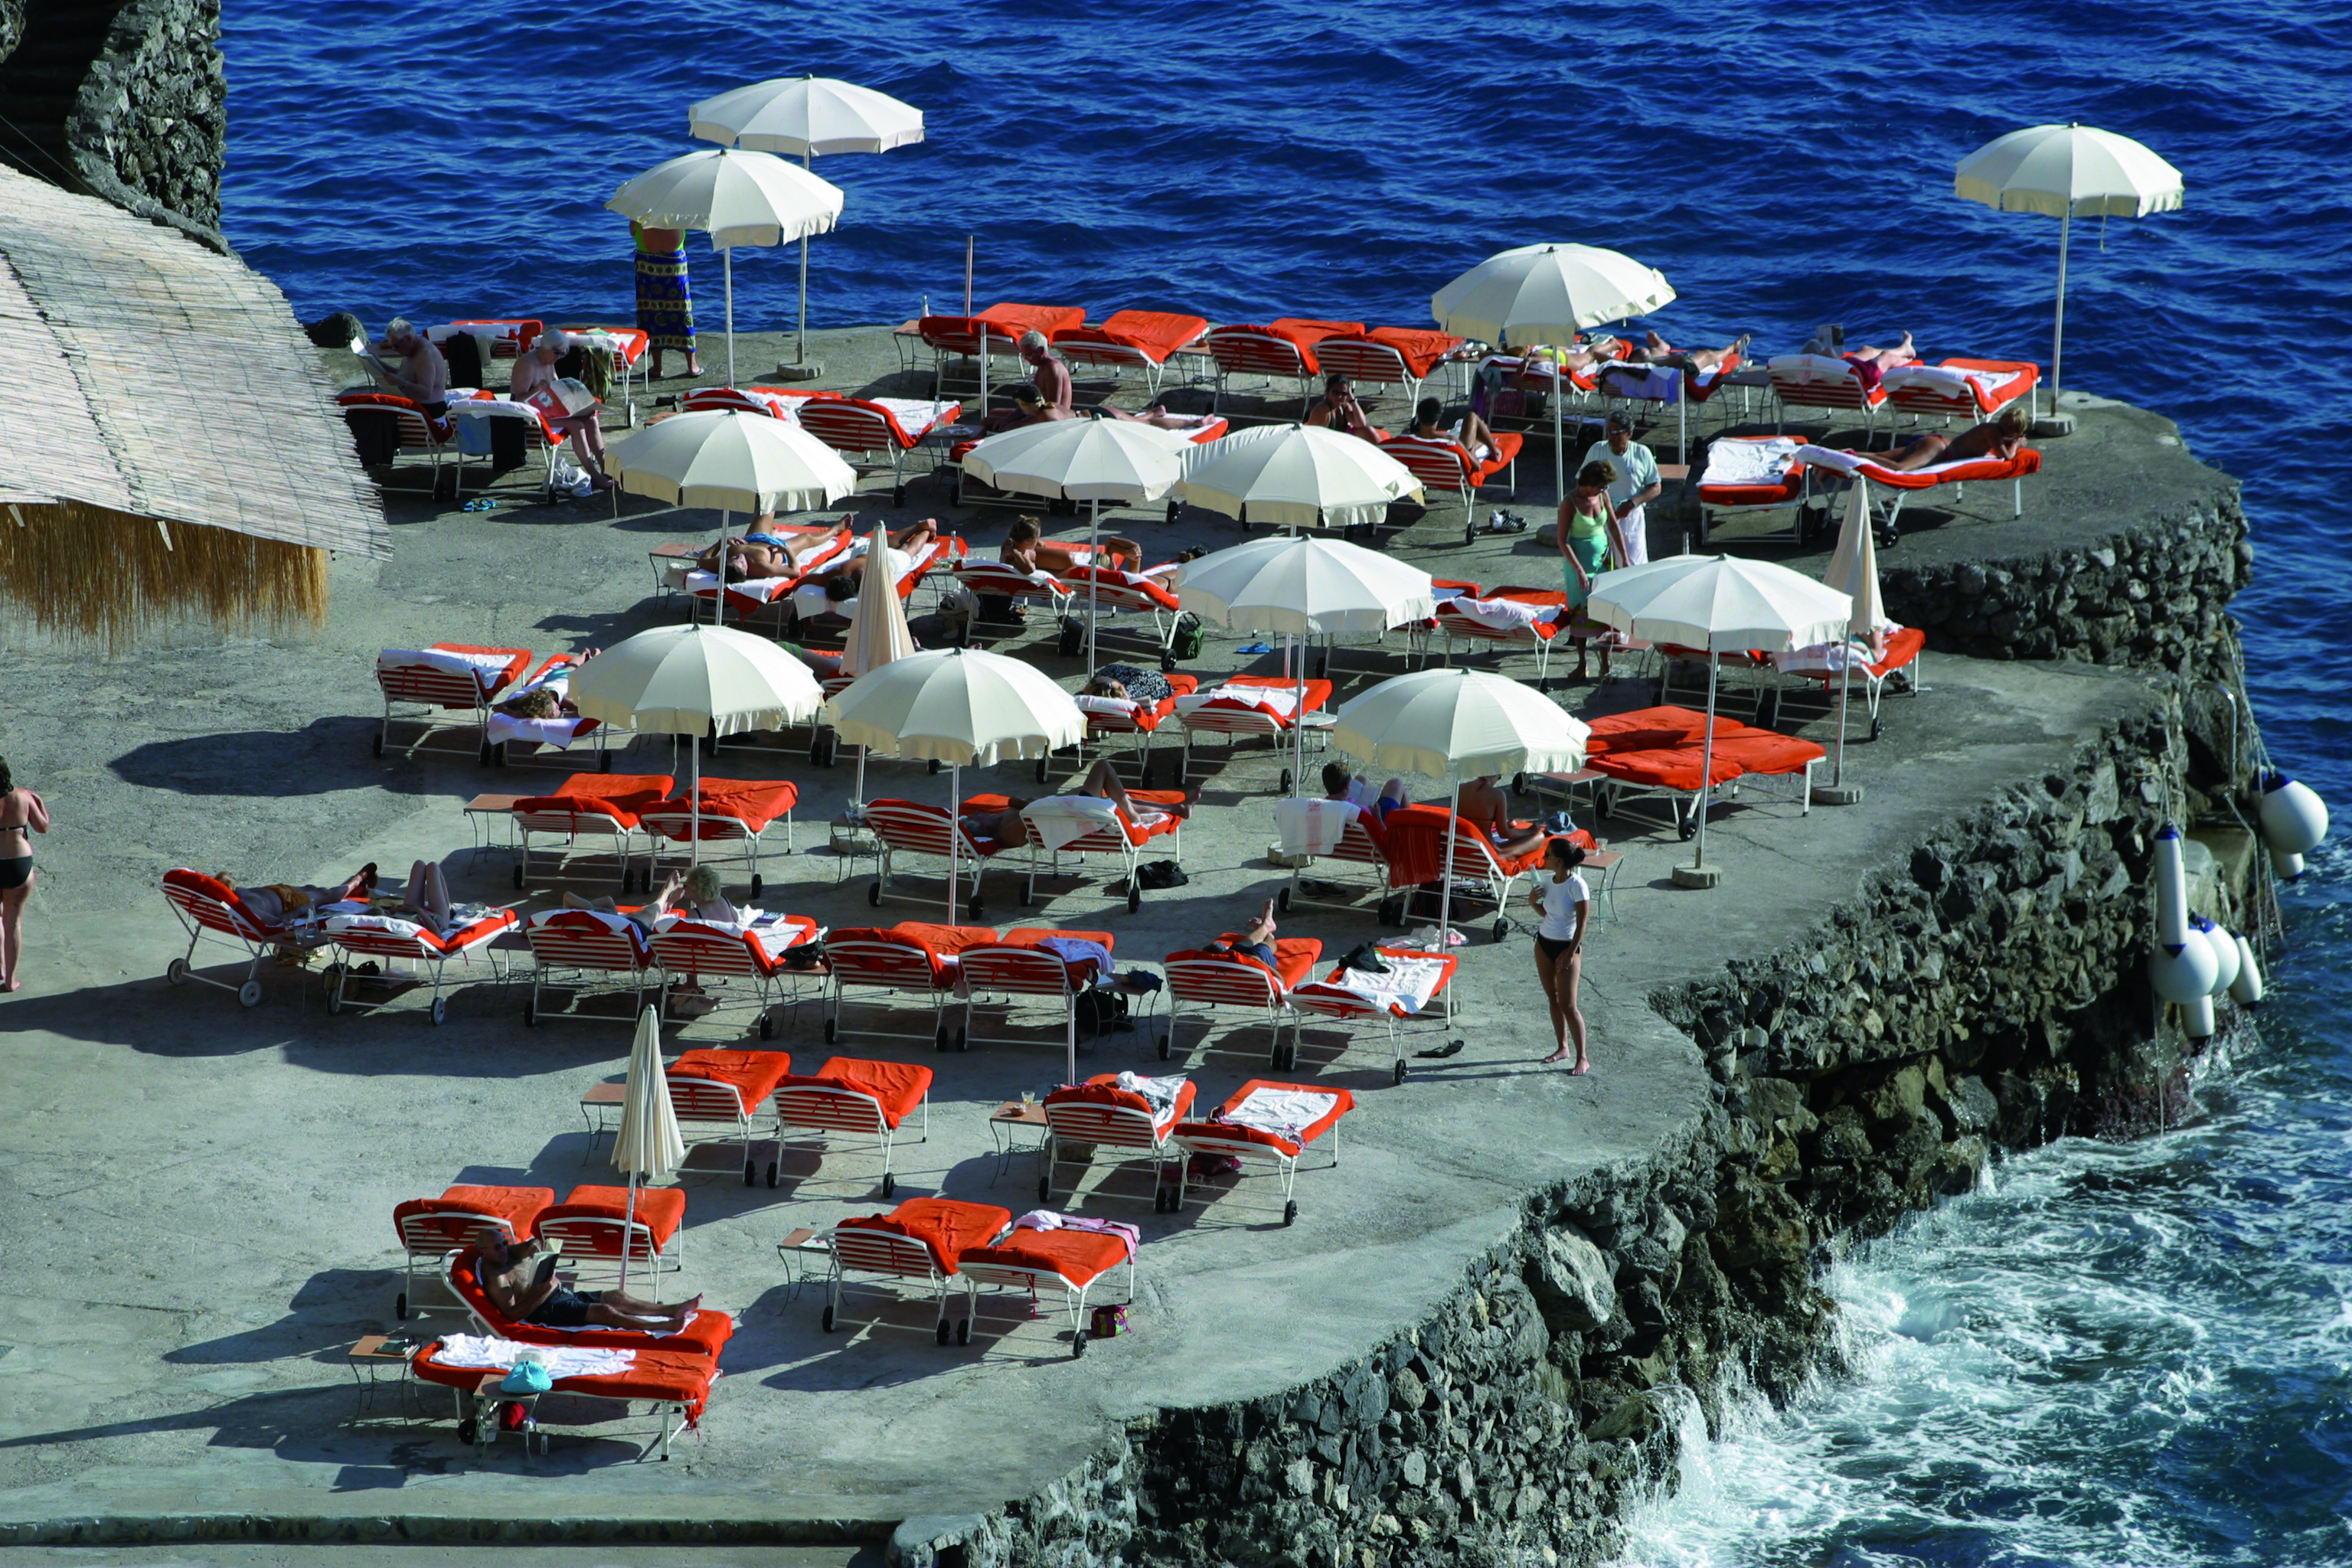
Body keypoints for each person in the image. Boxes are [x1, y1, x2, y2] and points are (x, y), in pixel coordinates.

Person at [472, 1230, 701, 1332]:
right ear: (483, 1252)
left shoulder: (507, 1253)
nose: (503, 1249)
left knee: (616, 1296)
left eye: (503, 1243)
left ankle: (672, 1309)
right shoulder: (497, 1279)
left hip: (558, 1295)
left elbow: (527, 1247)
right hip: (545, 1309)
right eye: (497, 1247)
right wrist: (542, 1290)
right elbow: (512, 1315)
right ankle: (662, 1325)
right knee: (604, 1311)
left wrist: (535, 1246)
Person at [512, 328, 614, 488]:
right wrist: (536, 390)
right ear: (546, 347)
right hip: (529, 415)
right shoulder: (527, 364)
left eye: (562, 354)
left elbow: (556, 386)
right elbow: (517, 399)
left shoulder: (548, 361)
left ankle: (606, 468)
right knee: (576, 425)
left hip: (549, 410)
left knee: (591, 418)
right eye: (557, 353)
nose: (559, 358)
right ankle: (594, 475)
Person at [1557, 460, 1628, 682]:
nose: (1604, 490)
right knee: (1582, 614)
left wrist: (1624, 557)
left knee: (1604, 613)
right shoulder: (1570, 502)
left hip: (1603, 562)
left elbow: (1614, 526)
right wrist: (1578, 569)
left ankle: (1605, 667)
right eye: (1601, 486)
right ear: (1589, 484)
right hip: (1579, 564)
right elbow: (1562, 541)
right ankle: (1582, 664)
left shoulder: (1602, 496)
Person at [1528, 838, 1592, 1071]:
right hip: (1544, 942)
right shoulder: (1547, 881)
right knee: (1553, 998)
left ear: (1560, 860)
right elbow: (1547, 914)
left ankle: (1582, 1056)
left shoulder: (1577, 885)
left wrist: (1571, 951)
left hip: (1567, 946)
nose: (1544, 859)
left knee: (1568, 1005)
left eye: (1548, 855)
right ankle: (1562, 1047)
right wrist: (1532, 902)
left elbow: (1583, 923)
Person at [1578, 411, 1660, 569]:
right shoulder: (1597, 450)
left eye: (1616, 432)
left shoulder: (1641, 453)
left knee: (1634, 566)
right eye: (1609, 431)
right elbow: (1581, 482)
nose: (1611, 436)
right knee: (1601, 565)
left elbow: (1656, 487)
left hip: (1631, 516)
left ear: (1629, 433)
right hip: (1601, 514)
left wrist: (1632, 503)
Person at [0, 757, 50, 993]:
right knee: (13, 922)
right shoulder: (23, 795)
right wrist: (39, 803)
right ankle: (10, 980)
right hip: (18, 862)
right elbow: (42, 827)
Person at [562, 863, 739, 927]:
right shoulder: (725, 901)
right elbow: (736, 921)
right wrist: (671, 904)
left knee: (646, 913)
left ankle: (582, 913)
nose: (683, 888)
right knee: (608, 902)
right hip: (723, 952)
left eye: (686, 885)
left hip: (626, 928)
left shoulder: (695, 915)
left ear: (696, 889)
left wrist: (669, 896)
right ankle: (588, 912)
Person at [630, 220, 701, 381]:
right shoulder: (677, 209)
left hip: (647, 265)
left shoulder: (641, 211)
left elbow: (633, 230)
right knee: (683, 311)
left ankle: (657, 367)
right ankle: (692, 366)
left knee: (650, 313)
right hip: (674, 265)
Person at [1872, 408, 2029, 472]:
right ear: (2001, 419)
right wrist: (2015, 443)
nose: (2006, 429)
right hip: (1940, 450)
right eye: (2006, 424)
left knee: (1884, 456)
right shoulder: (1993, 431)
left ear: (2016, 431)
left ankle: (1853, 454)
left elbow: (1997, 444)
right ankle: (1853, 457)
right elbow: (2006, 457)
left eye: (2011, 429)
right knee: (1899, 468)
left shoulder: (1994, 431)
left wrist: (2010, 441)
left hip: (1937, 444)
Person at [1002, 516, 1140, 576]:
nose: (1039, 540)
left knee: (1068, 559)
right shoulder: (1018, 552)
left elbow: (1110, 541)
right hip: (1085, 566)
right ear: (1027, 540)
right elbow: (1111, 542)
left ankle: (1128, 553)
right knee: (1068, 559)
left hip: (1085, 565)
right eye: (1037, 537)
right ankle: (1128, 553)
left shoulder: (1012, 545)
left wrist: (1132, 552)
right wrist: (1134, 555)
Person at [1456, 776, 1547, 860]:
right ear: (1495, 774)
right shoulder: (1497, 795)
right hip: (1487, 851)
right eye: (1499, 777)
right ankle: (1504, 856)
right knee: (1539, 837)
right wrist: (1529, 831)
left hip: (1461, 847)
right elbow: (1505, 833)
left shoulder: (1460, 788)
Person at [1406, 397, 1499, 463]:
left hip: (1428, 471)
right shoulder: (1449, 440)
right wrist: (1471, 453)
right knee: (1472, 417)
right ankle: (1494, 451)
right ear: (1438, 418)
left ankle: (1484, 443)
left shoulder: (1407, 441)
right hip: (1455, 468)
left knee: (1475, 430)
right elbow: (1475, 466)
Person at [1208, 898, 1281, 967]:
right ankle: (1267, 931)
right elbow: (1279, 979)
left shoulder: (1202, 970)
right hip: (1251, 963)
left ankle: (1265, 927)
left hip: (1229, 960)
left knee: (1241, 946)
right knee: (1263, 947)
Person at [1305, 374, 1380, 443]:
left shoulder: (1343, 406)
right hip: (1330, 444)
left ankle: (1386, 453)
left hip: (1340, 440)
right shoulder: (1323, 410)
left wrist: (1352, 400)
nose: (1339, 397)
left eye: (1343, 394)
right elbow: (1315, 438)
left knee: (1367, 430)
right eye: (1335, 393)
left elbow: (1361, 423)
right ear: (1327, 392)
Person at [1322, 760, 1405, 822]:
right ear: (1348, 786)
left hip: (1342, 840)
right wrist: (1377, 816)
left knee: (1361, 779)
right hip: (1373, 825)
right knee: (1397, 783)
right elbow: (1382, 836)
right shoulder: (1362, 812)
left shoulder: (1319, 807)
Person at [1021, 329, 1074, 418]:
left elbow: (1053, 407)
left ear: (1041, 350)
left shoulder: (1053, 368)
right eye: (1024, 356)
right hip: (1042, 413)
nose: (1027, 360)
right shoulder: (1042, 366)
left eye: (1029, 355)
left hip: (1055, 418)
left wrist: (1020, 422)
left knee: (996, 421)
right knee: (995, 413)